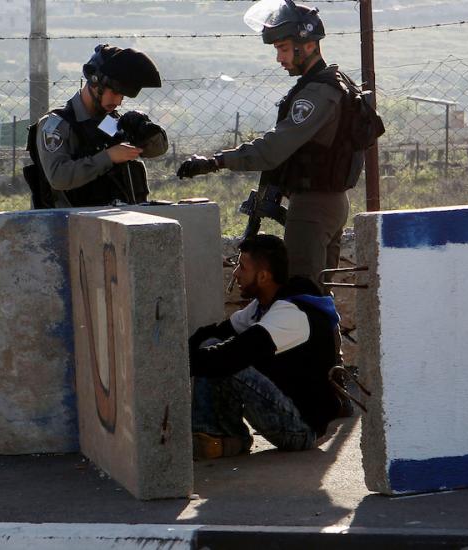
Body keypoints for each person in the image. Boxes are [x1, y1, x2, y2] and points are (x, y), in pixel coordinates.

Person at [176, 0, 360, 287]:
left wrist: (217, 161)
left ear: (309, 45)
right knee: (319, 294)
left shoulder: (318, 93)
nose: (279, 58)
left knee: (301, 290)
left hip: (313, 205)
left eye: (284, 49)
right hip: (328, 200)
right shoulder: (331, 83)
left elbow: (273, 149)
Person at [188, 234, 344, 459]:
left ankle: (207, 435)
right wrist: (178, 351)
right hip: (282, 408)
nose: (235, 274)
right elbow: (216, 333)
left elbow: (232, 355)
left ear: (263, 276)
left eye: (242, 267)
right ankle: (226, 437)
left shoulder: (292, 313)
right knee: (211, 346)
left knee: (227, 361)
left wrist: (175, 366)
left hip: (300, 429)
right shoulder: (262, 305)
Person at [26, 44, 169, 208]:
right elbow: (59, 177)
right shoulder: (56, 125)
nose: (118, 101)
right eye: (114, 92)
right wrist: (109, 157)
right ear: (95, 83)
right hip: (68, 220)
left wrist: (145, 131)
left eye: (122, 95)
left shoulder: (109, 122)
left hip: (118, 218)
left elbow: (155, 150)